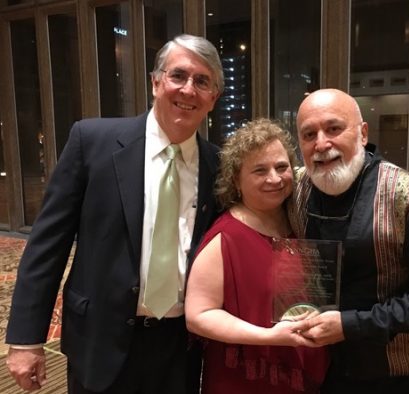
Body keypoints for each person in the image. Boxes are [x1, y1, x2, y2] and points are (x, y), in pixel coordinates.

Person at [5, 34, 223, 394]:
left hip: (179, 348)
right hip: (99, 340)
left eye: (202, 82)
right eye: (178, 76)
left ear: (213, 98)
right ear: (156, 82)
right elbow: (47, 246)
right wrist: (26, 339)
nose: (188, 90)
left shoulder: (217, 165)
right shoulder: (92, 142)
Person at [291, 89, 409, 394]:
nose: (321, 144)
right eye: (308, 134)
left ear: (362, 133)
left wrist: (350, 325)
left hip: (407, 375)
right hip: (331, 368)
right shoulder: (294, 189)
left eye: (333, 128)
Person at [185, 118, 329, 393]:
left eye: (282, 167)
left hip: (302, 376)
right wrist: (270, 337)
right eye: (260, 170)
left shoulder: (301, 225)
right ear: (236, 180)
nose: (274, 178)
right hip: (245, 380)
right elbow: (199, 315)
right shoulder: (225, 237)